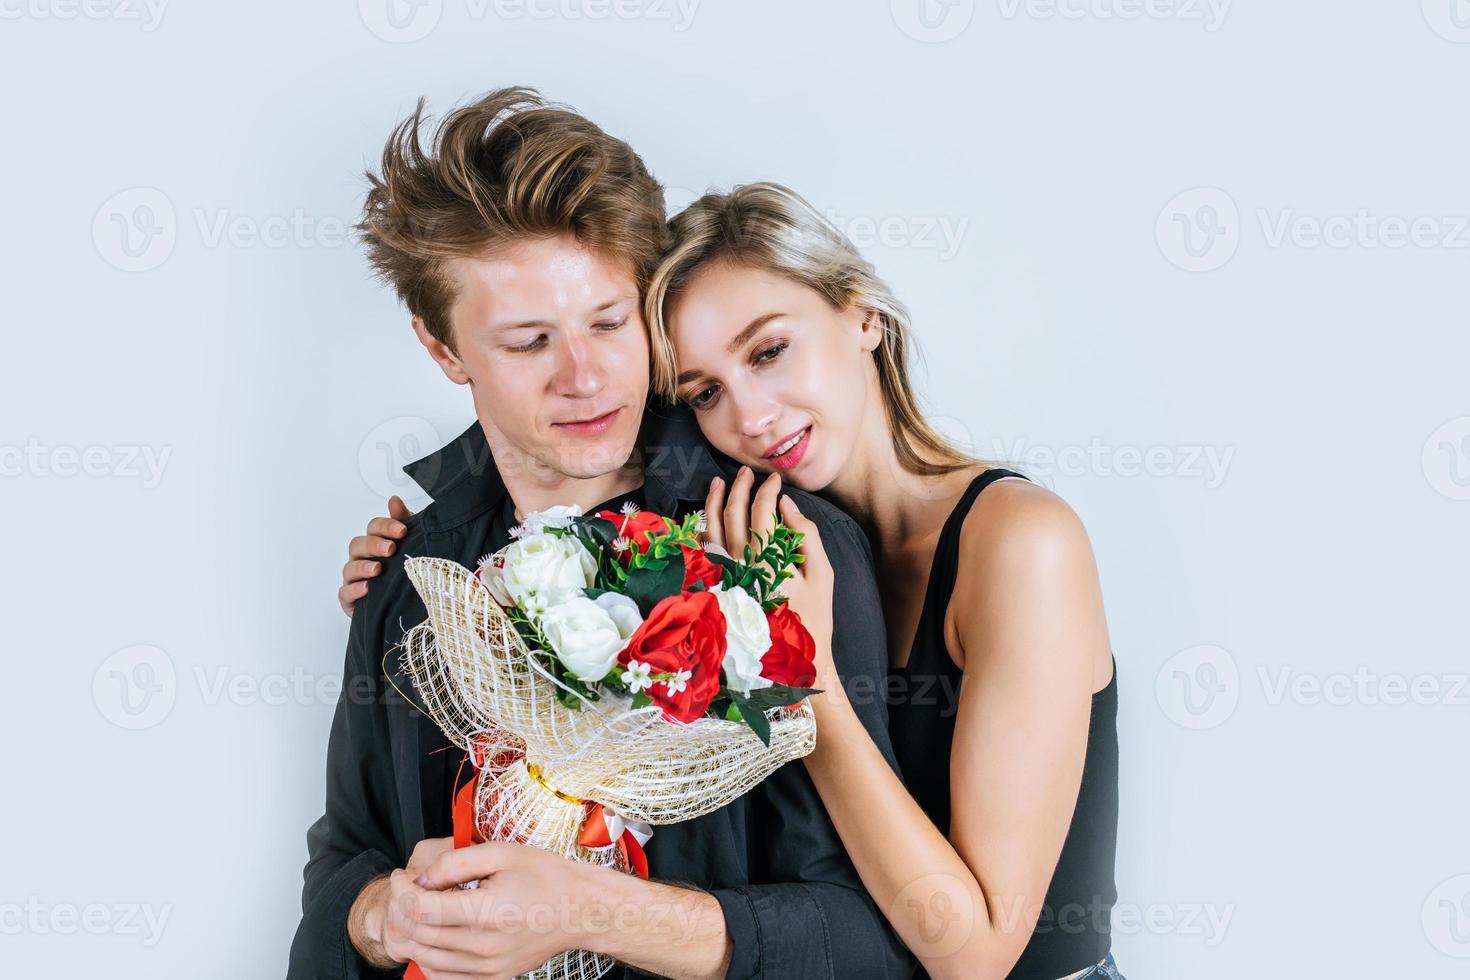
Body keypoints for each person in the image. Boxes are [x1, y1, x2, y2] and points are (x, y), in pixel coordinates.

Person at [346, 184, 1124, 979]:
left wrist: (807, 675)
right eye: (705, 393)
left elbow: (976, 956)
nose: (750, 416)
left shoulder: (1024, 543)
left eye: (769, 351)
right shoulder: (779, 541)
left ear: (864, 316)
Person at [293, 90, 915, 980]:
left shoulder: (779, 548)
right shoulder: (409, 571)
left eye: (610, 323)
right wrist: (383, 918)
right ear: (444, 351)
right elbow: (342, 861)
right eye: (527, 342)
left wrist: (586, 910)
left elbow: (873, 942)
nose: (584, 377)